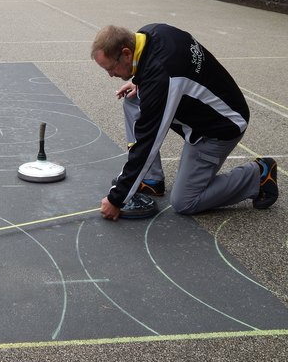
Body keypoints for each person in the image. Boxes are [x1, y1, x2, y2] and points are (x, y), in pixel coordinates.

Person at [90, 23, 279, 220]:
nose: (111, 75)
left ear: (127, 53)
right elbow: (161, 70)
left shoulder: (163, 78)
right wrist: (139, 81)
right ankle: (151, 180)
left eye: (111, 68)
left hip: (221, 127)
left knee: (184, 201)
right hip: (217, 101)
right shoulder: (152, 32)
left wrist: (116, 198)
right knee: (133, 100)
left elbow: (148, 143)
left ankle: (257, 176)